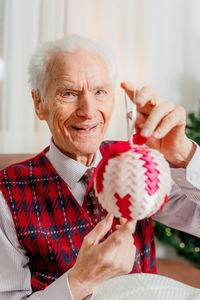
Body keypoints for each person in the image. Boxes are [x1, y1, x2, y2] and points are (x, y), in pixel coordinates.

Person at [0, 34, 199, 300]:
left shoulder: (136, 164)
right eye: (68, 93)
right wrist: (80, 281)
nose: (88, 110)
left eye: (99, 92)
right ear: (39, 104)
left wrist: (183, 154)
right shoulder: (5, 194)